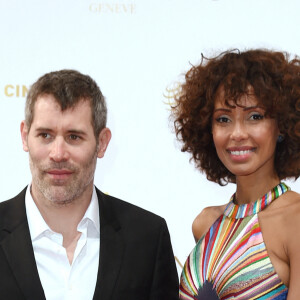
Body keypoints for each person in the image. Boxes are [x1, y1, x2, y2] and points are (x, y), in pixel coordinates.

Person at [0, 69, 179, 300]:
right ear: (25, 136)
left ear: (102, 143)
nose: (58, 153)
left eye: (74, 137)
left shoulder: (147, 238)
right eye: (45, 135)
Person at [171, 49, 300, 299]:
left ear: (282, 125)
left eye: (255, 116)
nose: (237, 133)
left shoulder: (295, 220)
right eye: (223, 119)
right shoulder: (205, 224)